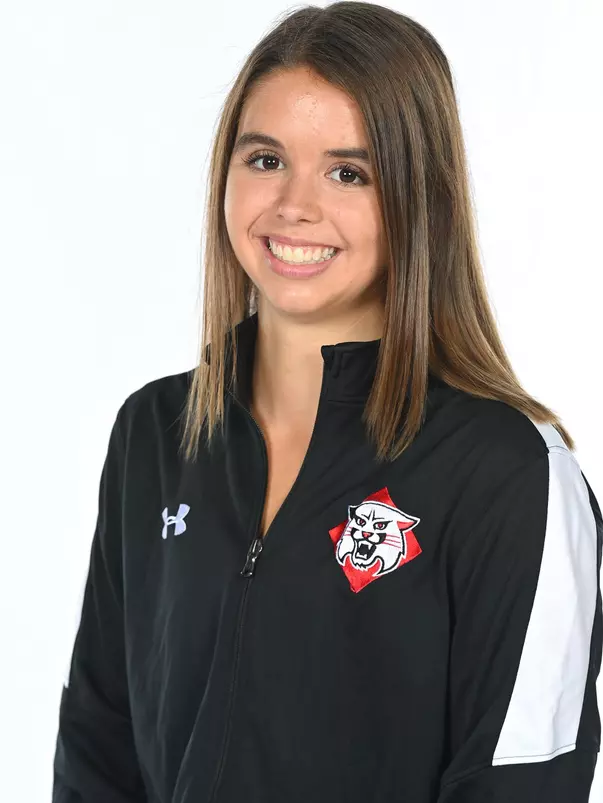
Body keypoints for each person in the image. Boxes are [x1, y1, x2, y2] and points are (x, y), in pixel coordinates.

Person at [52, 3, 602, 801]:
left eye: (349, 172)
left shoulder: (507, 473)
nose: (293, 207)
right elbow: (97, 748)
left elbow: (519, 780)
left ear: (420, 199)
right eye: (266, 159)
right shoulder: (155, 434)